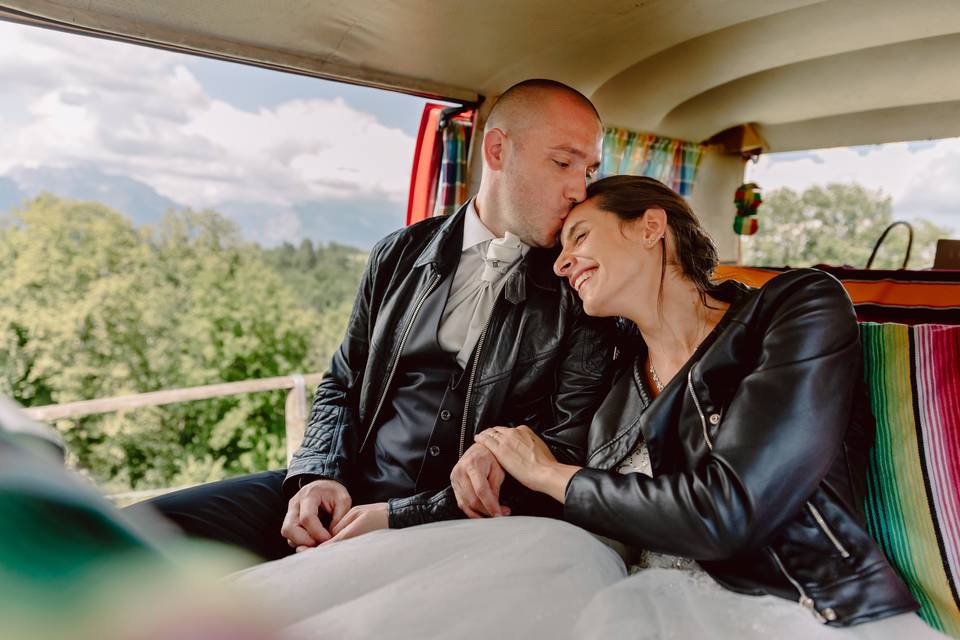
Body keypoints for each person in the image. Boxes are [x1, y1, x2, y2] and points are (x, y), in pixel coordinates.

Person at [140, 79, 615, 560]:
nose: (579, 189)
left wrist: (401, 515)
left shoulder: (584, 288)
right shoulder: (396, 253)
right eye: (562, 163)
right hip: (348, 486)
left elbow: (562, 447)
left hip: (455, 521)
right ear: (497, 151)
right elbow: (342, 384)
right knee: (141, 530)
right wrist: (318, 474)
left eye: (590, 169)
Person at [473, 175, 943, 637]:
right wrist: (491, 461)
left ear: (650, 227)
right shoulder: (617, 374)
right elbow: (561, 474)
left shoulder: (795, 309)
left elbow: (729, 511)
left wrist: (548, 473)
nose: (562, 264)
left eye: (580, 237)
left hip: (794, 604)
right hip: (631, 595)